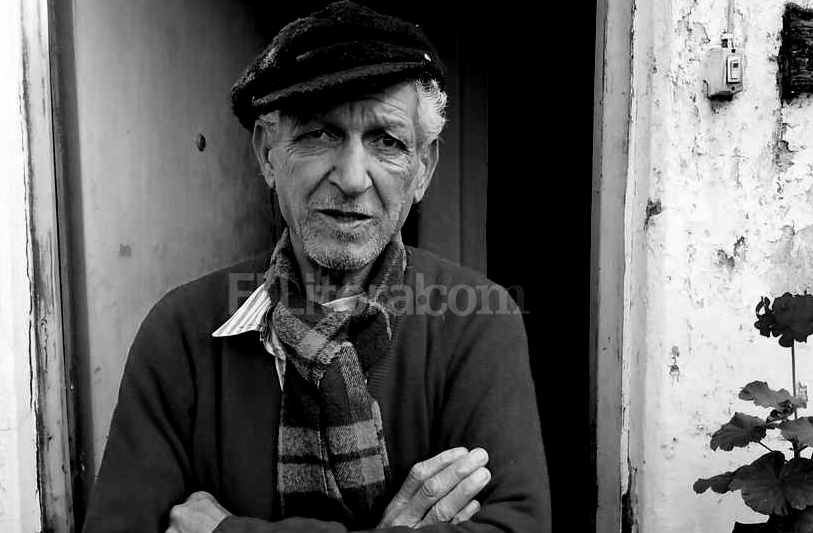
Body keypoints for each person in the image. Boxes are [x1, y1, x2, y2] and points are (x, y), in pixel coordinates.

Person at [81, 2, 551, 532]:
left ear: (422, 168)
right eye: (319, 134)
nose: (352, 177)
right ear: (267, 154)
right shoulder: (182, 333)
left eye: (388, 141)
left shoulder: (477, 322)